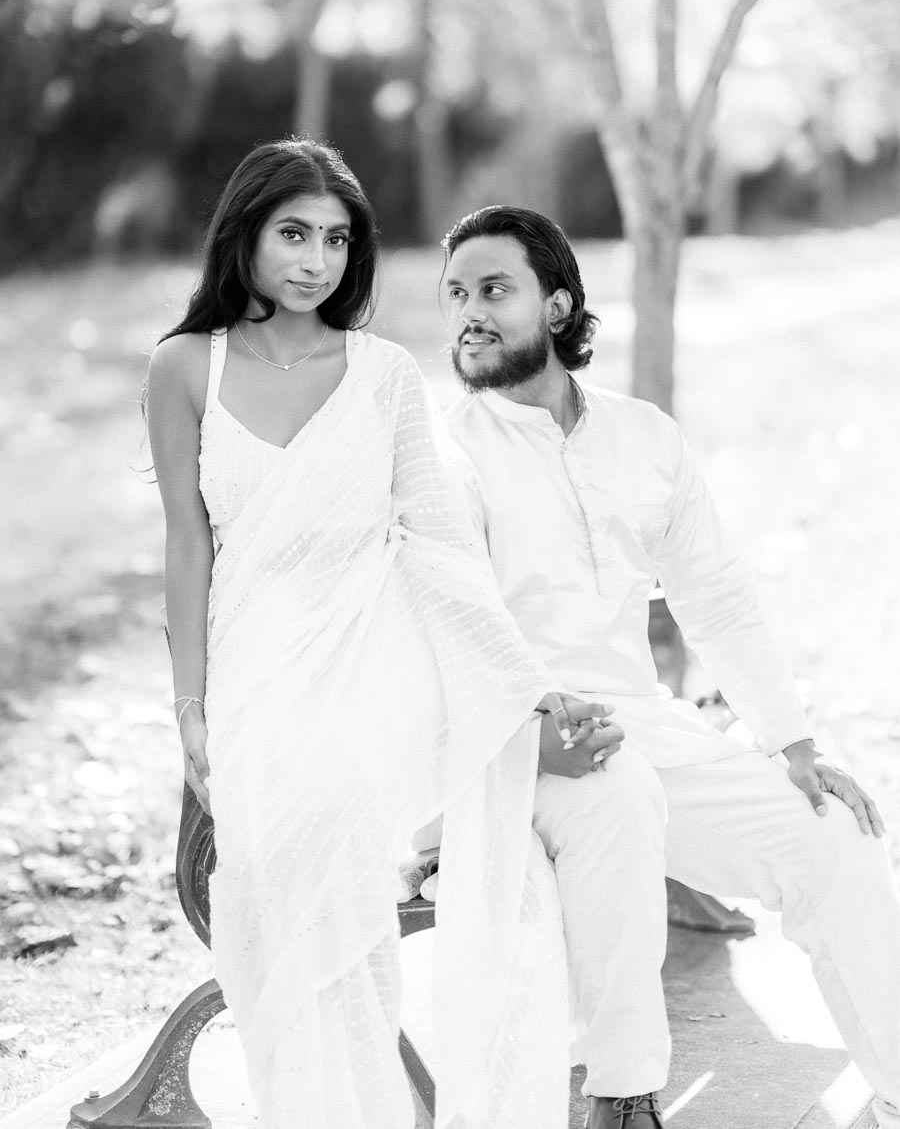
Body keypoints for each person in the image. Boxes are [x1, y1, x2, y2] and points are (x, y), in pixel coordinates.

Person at [145, 140, 622, 1129]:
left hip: (369, 666)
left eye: (336, 239)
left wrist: (525, 686)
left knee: (332, 821)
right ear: (246, 232)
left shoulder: (383, 374)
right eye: (294, 234)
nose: (315, 261)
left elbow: (440, 548)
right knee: (277, 875)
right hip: (251, 672)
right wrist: (189, 708)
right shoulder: (184, 368)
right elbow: (187, 546)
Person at [439, 205, 900, 1129]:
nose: (468, 315)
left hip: (639, 725)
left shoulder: (643, 437)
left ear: (557, 306)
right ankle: (624, 1097)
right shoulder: (448, 453)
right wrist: (531, 730)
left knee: (833, 837)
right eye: (455, 294)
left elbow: (717, 597)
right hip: (510, 743)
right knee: (619, 793)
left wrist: (794, 742)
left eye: (493, 290)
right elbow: (445, 632)